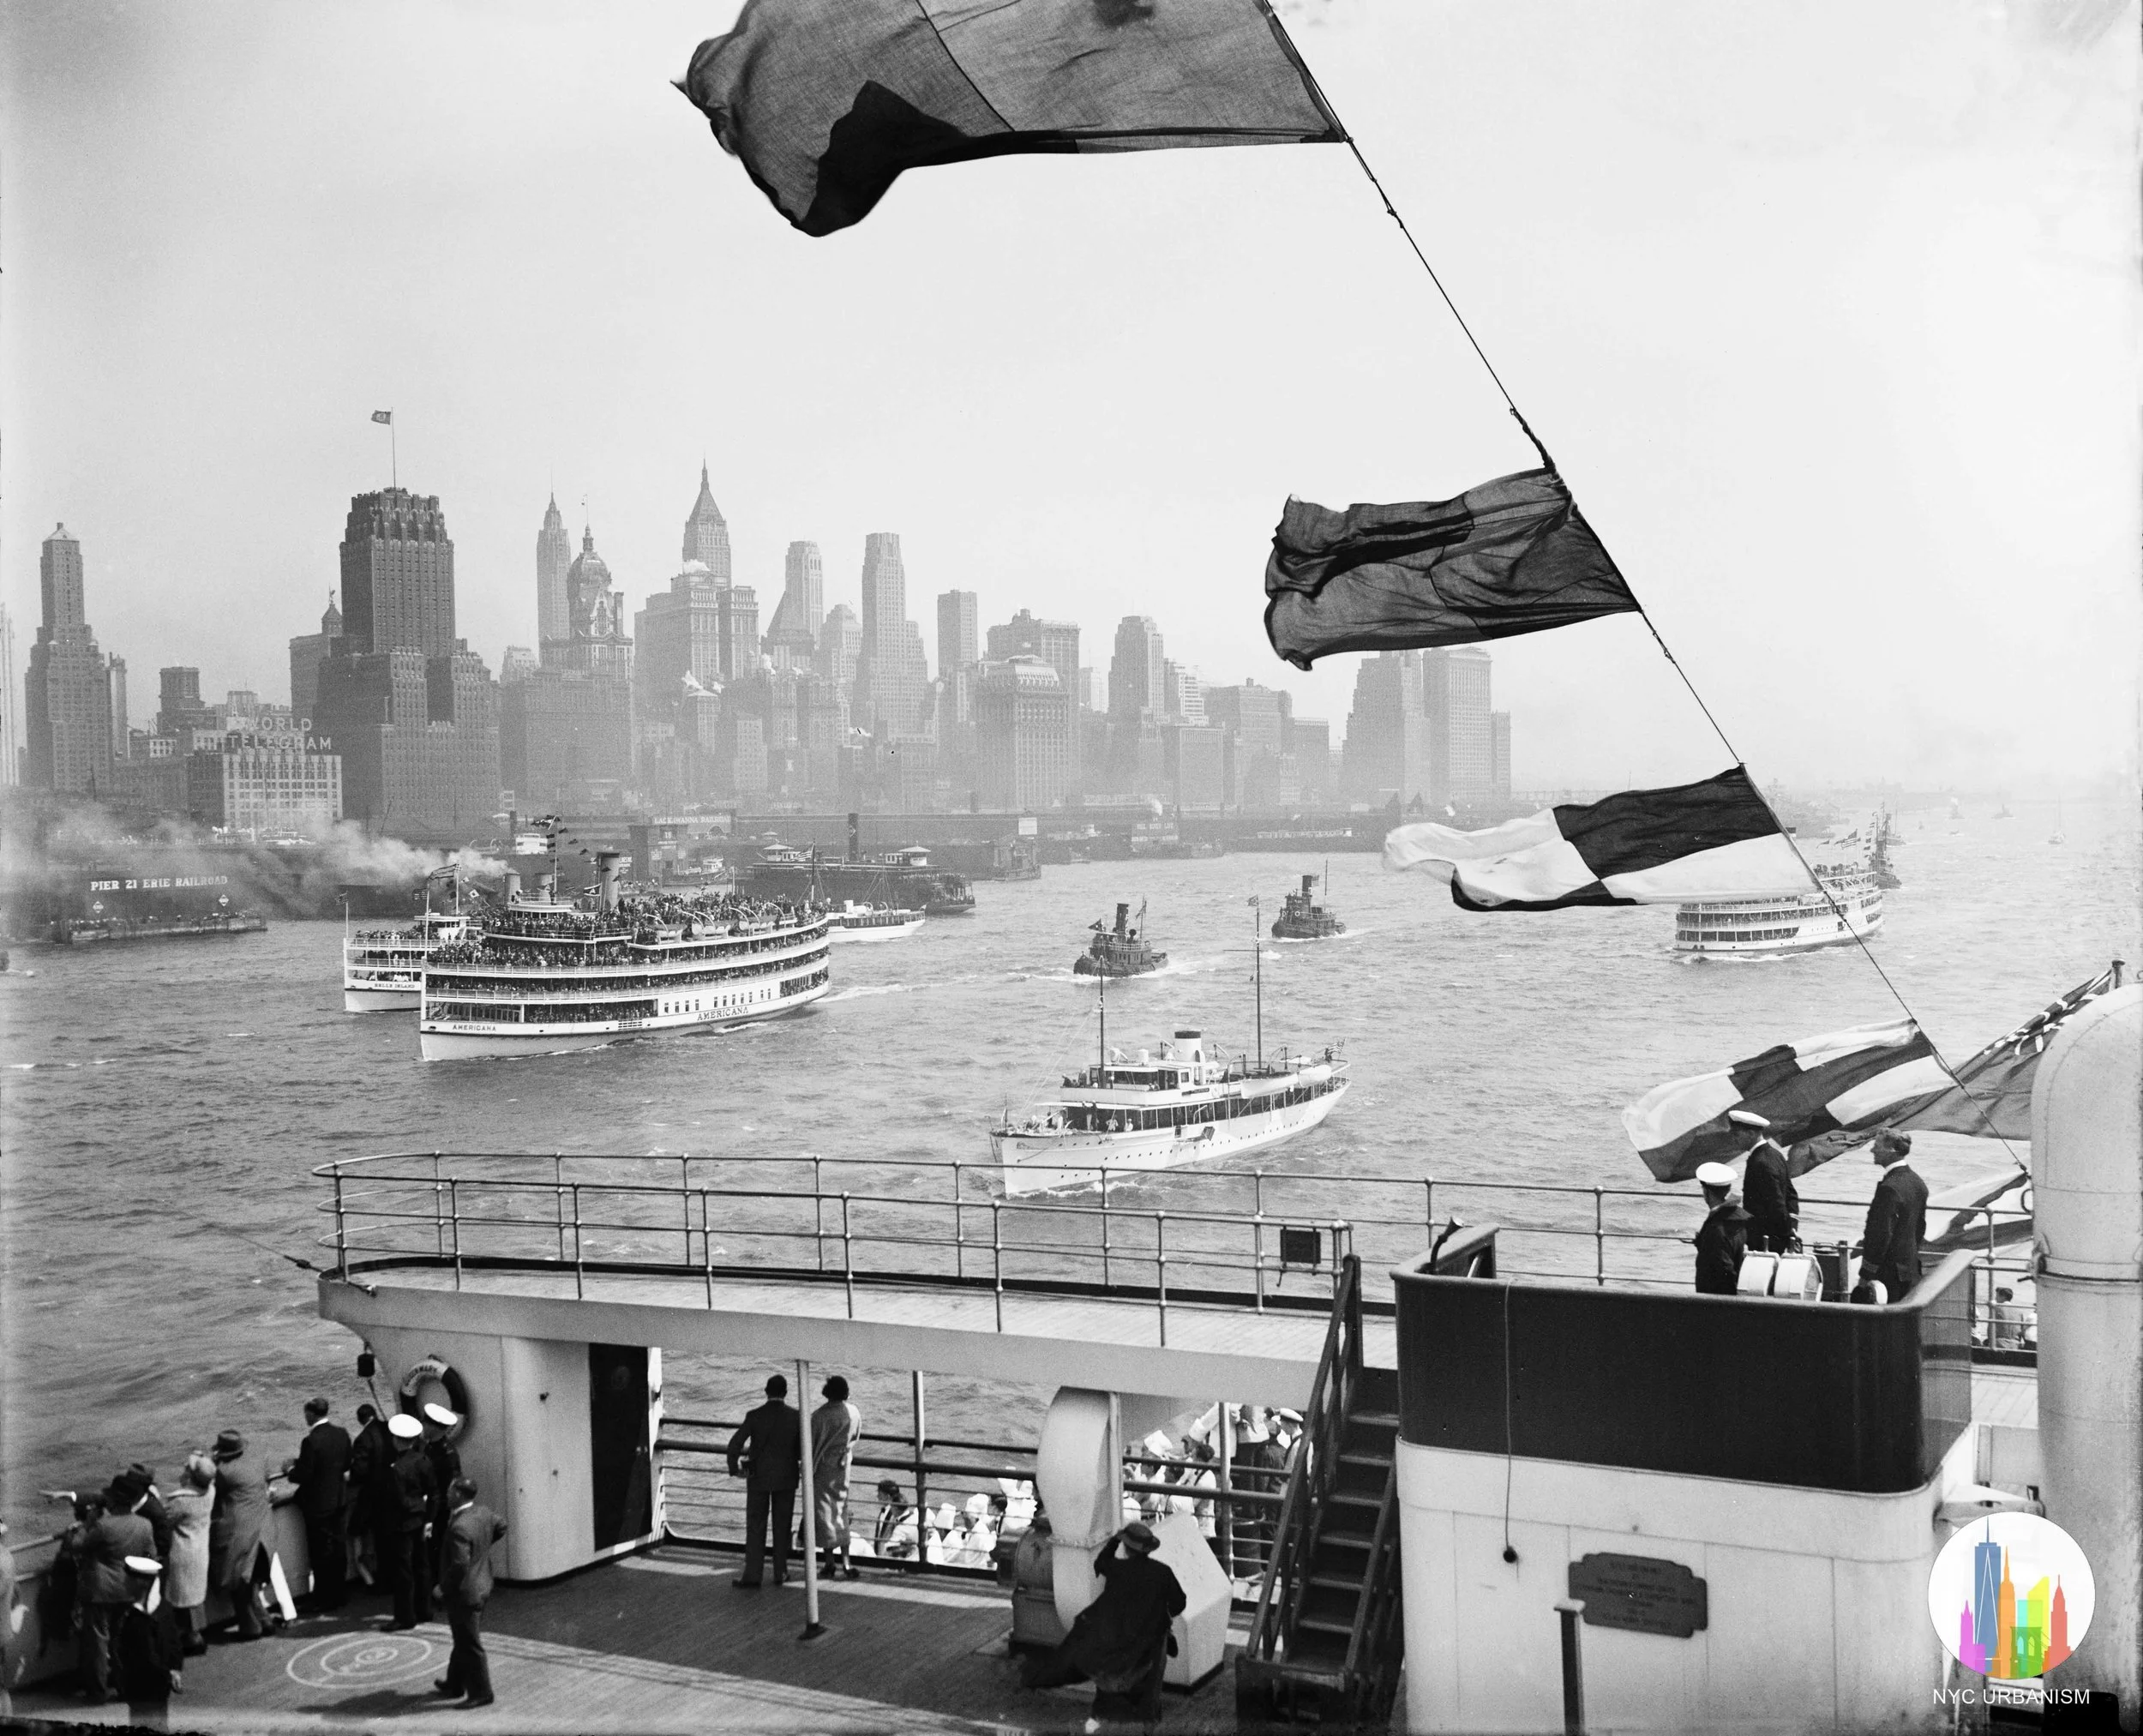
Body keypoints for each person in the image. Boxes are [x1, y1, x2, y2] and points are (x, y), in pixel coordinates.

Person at [1018, 1521, 1186, 1728]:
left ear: (1127, 1547)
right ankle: (1148, 1724)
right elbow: (1179, 1602)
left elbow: (1101, 1562)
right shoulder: (1163, 1572)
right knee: (1151, 1685)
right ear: (1148, 1549)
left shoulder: (1117, 1568)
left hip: (1119, 1636)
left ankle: (1104, 1718)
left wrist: (1114, 1541)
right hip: (1152, 1639)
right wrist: (1161, 1615)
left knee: (1110, 1677)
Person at [76, 1482, 156, 1703]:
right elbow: (151, 1554)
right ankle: (125, 1687)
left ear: (114, 1503)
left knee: (98, 1643)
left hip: (102, 1591)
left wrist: (87, 1523)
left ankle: (98, 1691)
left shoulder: (103, 1526)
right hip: (129, 1589)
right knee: (122, 1641)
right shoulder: (145, 1524)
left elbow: (78, 1545)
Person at [434, 1477, 507, 1709]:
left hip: (464, 1593)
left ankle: (482, 1692)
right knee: (463, 1637)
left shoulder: (459, 1527)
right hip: (482, 1585)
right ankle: (454, 1683)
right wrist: (481, 1550)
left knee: (469, 1644)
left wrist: (442, 1587)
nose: (446, 1495)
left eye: (449, 1491)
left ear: (458, 1494)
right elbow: (502, 1526)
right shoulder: (483, 1513)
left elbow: (459, 1565)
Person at [726, 1374, 801, 1588]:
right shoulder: (796, 1417)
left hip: (758, 1477)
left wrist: (734, 1469)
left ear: (766, 1392)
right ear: (785, 1393)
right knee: (782, 1526)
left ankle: (752, 1575)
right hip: (786, 1478)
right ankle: (780, 1572)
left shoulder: (754, 1416)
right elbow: (802, 1449)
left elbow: (734, 1445)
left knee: (755, 1526)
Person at [283, 1398, 352, 1612]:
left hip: (318, 1506)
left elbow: (304, 1475)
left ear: (311, 1414)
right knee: (338, 1549)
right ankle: (340, 1594)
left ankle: (323, 1598)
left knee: (320, 1553)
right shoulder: (341, 1434)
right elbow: (345, 1464)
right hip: (339, 1500)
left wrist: (290, 1471)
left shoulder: (311, 1441)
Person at [207, 1430, 273, 1641]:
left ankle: (251, 1627)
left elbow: (213, 1490)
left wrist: (213, 1462)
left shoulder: (223, 1471)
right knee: (251, 1579)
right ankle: (264, 1619)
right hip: (263, 1527)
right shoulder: (258, 1461)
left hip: (239, 1533)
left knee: (237, 1581)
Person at [1858, 1129, 1929, 1303]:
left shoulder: (1889, 1188)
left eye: (1876, 1146)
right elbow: (1919, 1229)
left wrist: (1866, 1274)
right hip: (1909, 1271)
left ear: (1891, 1151)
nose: (1872, 1150)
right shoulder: (1917, 1182)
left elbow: (1881, 1235)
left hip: (1888, 1275)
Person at [383, 1413, 437, 1630]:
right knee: (422, 1567)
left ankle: (405, 1617)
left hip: (402, 1525)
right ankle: (424, 1610)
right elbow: (434, 1493)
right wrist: (429, 1518)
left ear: (396, 1440)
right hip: (421, 1521)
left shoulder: (396, 1469)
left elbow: (398, 1500)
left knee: (403, 1572)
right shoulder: (423, 1461)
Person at [807, 1375, 861, 1581]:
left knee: (824, 1514)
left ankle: (829, 1561)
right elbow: (856, 1436)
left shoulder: (819, 1416)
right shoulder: (853, 1412)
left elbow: (810, 1443)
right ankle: (846, 1561)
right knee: (842, 1511)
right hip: (844, 1465)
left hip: (823, 1468)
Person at [162, 1456, 216, 1660]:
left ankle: (190, 1640)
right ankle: (195, 1636)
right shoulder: (210, 1492)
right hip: (200, 1550)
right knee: (193, 1597)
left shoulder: (180, 1501)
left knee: (181, 1599)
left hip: (182, 1553)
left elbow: (163, 1522)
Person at [1732, 1111, 1799, 1254]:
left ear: (1751, 1134)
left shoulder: (1760, 1162)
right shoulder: (1775, 1155)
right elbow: (1791, 1194)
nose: (1734, 1139)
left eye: (1736, 1134)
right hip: (1775, 1237)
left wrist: (1786, 1234)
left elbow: (1776, 1203)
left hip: (1765, 1240)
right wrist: (1792, 1228)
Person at [345, 1403, 393, 1590]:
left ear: (361, 1420)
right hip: (394, 1490)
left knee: (363, 1531)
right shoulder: (390, 1429)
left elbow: (360, 1471)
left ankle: (375, 1580)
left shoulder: (363, 1439)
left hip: (374, 1495)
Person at [421, 1406, 464, 1592]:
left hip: (440, 1512)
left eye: (425, 1423)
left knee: (438, 1551)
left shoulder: (447, 1454)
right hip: (431, 1508)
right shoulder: (430, 1448)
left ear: (434, 1427)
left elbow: (452, 1486)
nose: (423, 1426)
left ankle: (440, 1590)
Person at [1692, 1161, 1750, 1295]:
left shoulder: (1716, 1228)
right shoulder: (1737, 1219)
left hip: (1715, 1300)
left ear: (1706, 1192)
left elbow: (1724, 1270)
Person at [873, 1480, 918, 1561]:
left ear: (887, 1496)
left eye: (880, 1494)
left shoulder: (896, 1515)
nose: (877, 1496)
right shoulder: (885, 1510)